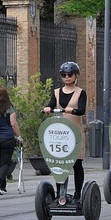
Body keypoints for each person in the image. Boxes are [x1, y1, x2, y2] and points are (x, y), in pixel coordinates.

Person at [43, 61, 88, 201]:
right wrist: (47, 109)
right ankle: (59, 194)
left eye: (70, 74)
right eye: (64, 74)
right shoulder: (56, 92)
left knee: (76, 163)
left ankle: (78, 194)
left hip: (75, 134)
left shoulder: (81, 92)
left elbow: (82, 110)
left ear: (75, 75)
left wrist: (73, 110)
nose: (67, 77)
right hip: (60, 135)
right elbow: (51, 105)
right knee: (60, 164)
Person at [0, 87, 22, 196]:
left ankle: (2, 185)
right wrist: (19, 136)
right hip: (7, 139)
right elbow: (13, 124)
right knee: (5, 163)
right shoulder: (10, 109)